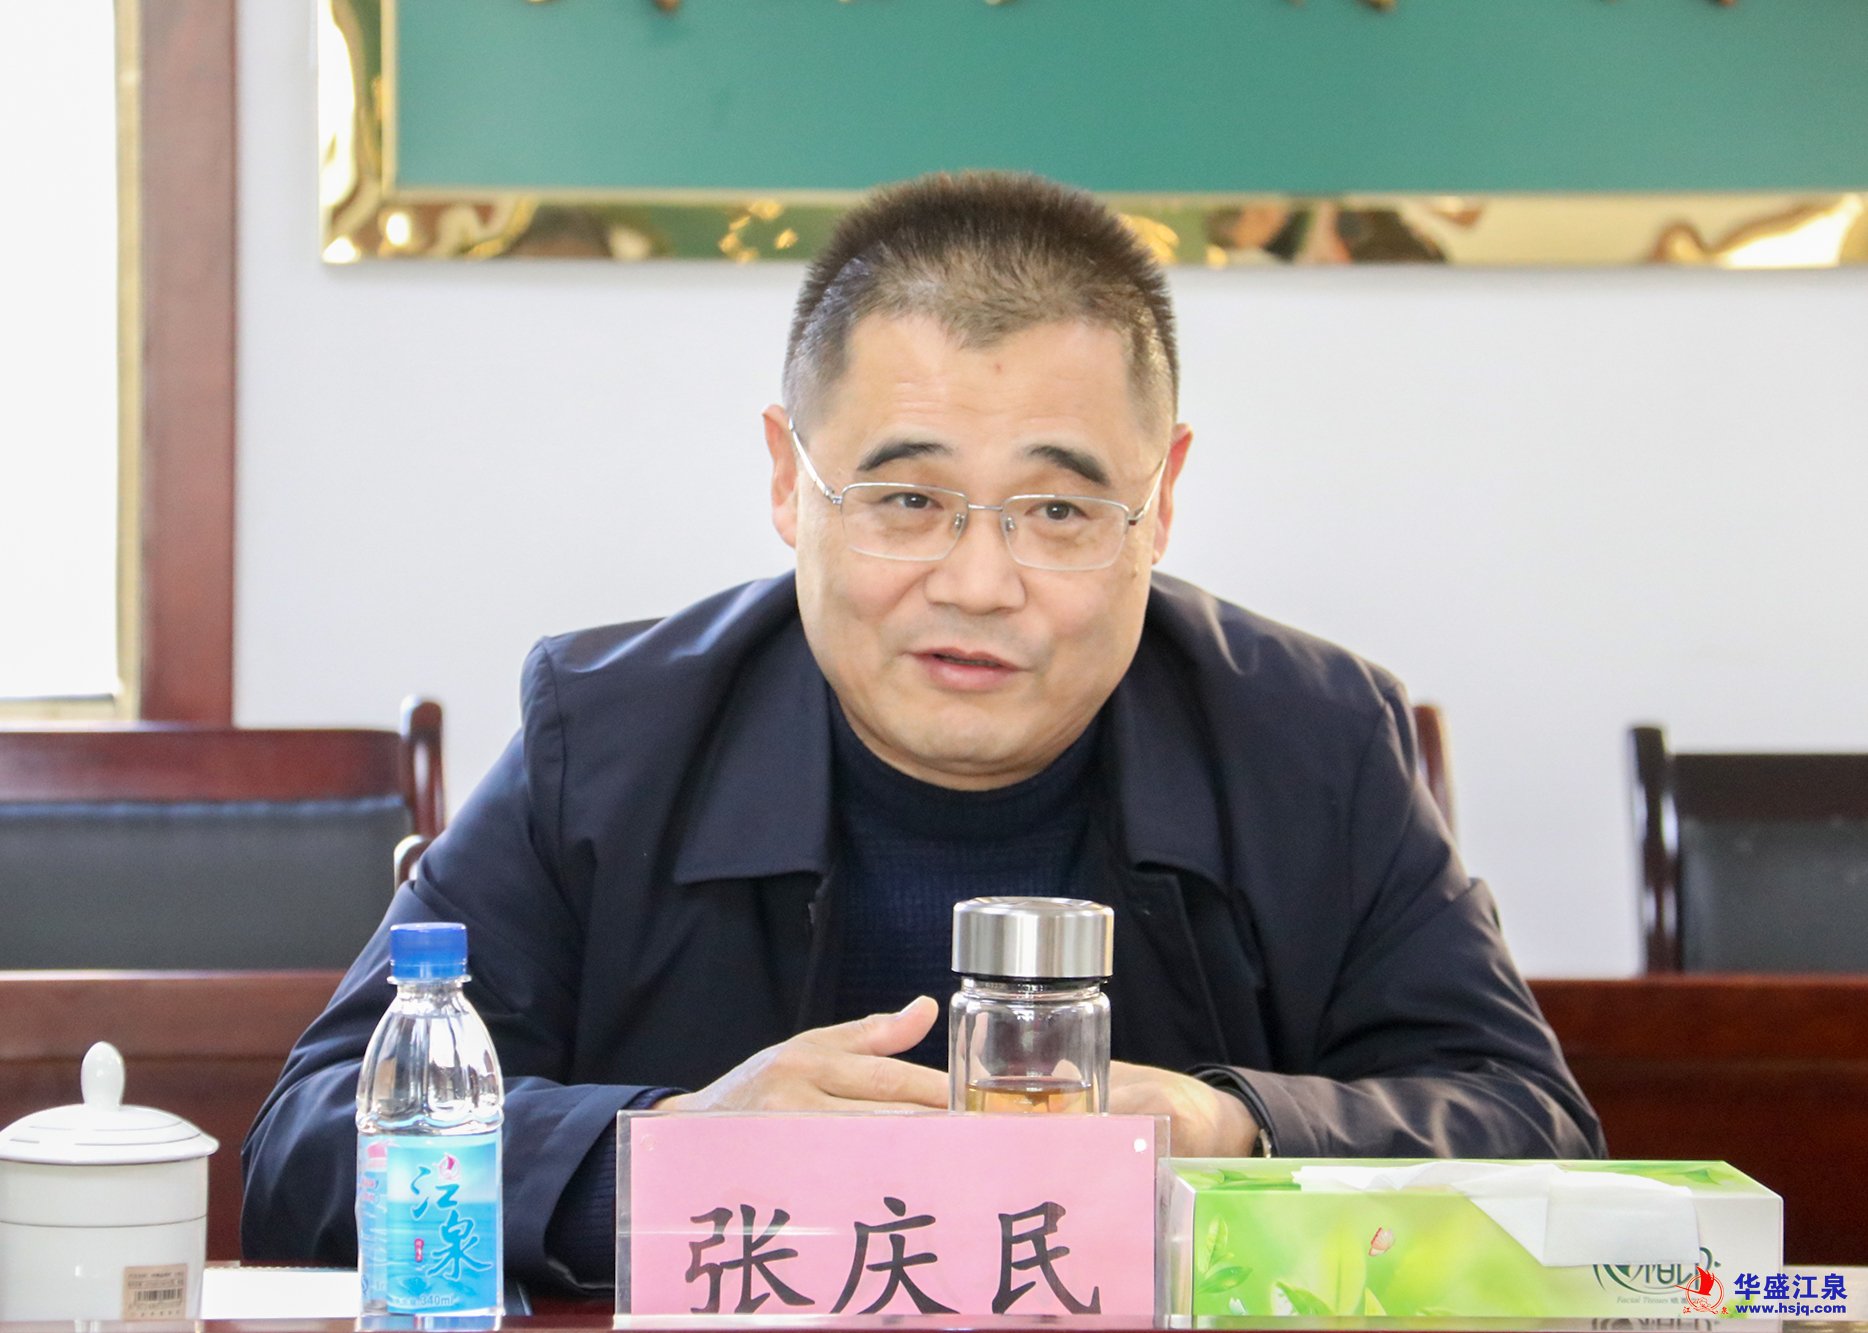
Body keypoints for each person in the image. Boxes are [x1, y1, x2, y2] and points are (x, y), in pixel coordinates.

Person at [242, 171, 1603, 1293]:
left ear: (1164, 498)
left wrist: (1230, 1129)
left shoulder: (1312, 741)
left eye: (1059, 511)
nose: (979, 583)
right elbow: (309, 1149)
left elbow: (1540, 1136)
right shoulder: (607, 735)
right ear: (789, 481)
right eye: (907, 501)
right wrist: (676, 1151)